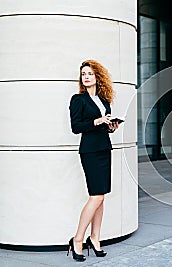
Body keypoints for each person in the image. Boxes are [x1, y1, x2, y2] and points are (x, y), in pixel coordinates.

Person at [67, 60, 120, 262]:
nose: (86, 76)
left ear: (98, 76)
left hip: (104, 149)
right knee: (95, 196)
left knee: (102, 196)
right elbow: (76, 126)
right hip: (89, 151)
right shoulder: (78, 100)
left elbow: (102, 127)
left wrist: (110, 127)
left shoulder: (104, 100)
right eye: (83, 74)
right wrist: (96, 121)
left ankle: (95, 238)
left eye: (90, 73)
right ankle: (77, 240)